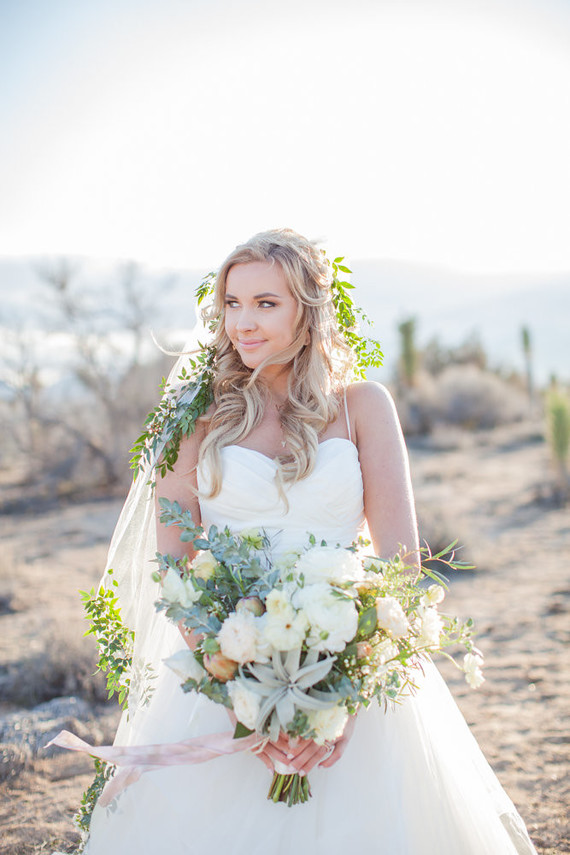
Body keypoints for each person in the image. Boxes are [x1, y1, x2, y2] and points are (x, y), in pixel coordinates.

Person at [78, 229, 536, 854]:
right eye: (233, 303)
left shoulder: (363, 407)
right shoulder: (195, 416)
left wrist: (337, 699)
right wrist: (243, 694)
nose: (243, 322)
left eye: (266, 303)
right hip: (226, 667)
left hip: (353, 668)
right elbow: (174, 567)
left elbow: (400, 564)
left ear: (308, 310)